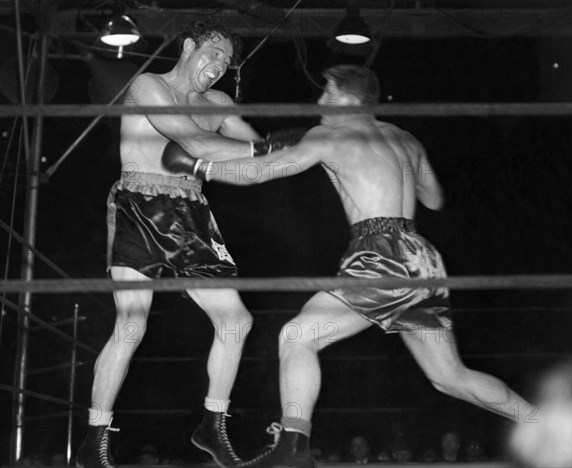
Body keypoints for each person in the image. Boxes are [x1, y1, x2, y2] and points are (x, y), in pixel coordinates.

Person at [163, 64, 532, 468]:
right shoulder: (405, 139)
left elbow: (260, 172)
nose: (320, 101)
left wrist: (199, 167)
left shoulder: (330, 134)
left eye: (327, 93)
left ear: (346, 98)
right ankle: (547, 423)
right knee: (450, 377)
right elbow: (434, 199)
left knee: (297, 336)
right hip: (423, 258)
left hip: (380, 254)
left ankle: (293, 450)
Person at [76, 18, 264, 468]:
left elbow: (257, 156)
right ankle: (93, 440)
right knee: (131, 325)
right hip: (140, 204)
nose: (218, 65)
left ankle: (211, 427)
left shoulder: (218, 102)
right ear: (187, 47)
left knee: (236, 321)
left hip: (192, 214)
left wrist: (304, 146)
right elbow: (193, 139)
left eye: (225, 60)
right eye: (212, 53)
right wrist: (263, 150)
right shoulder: (147, 86)